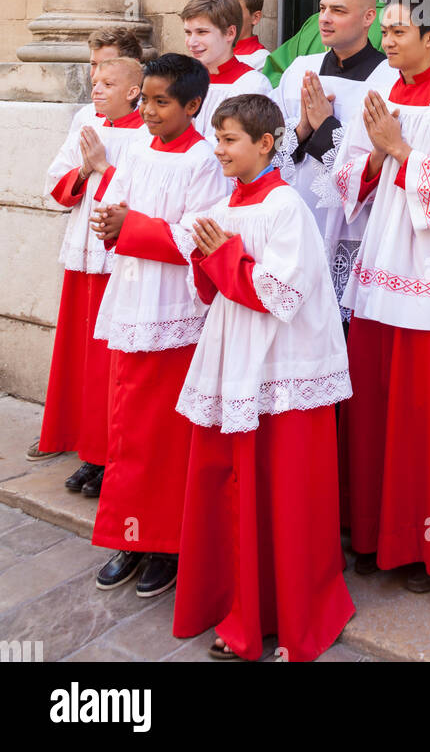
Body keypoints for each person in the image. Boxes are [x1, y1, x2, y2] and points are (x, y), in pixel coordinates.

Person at [171, 94, 354, 662]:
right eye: (217, 138)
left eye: (229, 140)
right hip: (234, 361)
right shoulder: (226, 207)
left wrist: (221, 257)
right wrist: (207, 262)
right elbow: (213, 292)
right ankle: (238, 604)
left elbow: (281, 293)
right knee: (233, 489)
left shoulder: (286, 207)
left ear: (265, 144)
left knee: (286, 495)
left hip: (283, 366)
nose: (218, 149)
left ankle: (295, 610)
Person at [333, 0, 430, 592]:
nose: (389, 40)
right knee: (375, 403)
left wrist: (399, 150)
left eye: (402, 31)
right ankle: (373, 533)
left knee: (427, 414)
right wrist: (373, 158)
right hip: (381, 269)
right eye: (386, 31)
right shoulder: (383, 95)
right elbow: (348, 176)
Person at [89, 54, 228, 598]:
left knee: (163, 433)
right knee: (125, 425)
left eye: (160, 101)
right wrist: (110, 224)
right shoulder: (138, 147)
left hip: (175, 313)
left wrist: (131, 225)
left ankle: (167, 541)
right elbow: (113, 207)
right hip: (131, 302)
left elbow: (198, 238)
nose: (147, 110)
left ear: (193, 106)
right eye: (144, 99)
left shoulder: (204, 161)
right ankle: (131, 533)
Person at [27, 26, 145, 464]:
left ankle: (105, 451)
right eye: (93, 70)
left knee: (108, 361)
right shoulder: (84, 119)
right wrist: (83, 170)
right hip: (83, 250)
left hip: (120, 257)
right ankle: (71, 434)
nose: (96, 80)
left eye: (107, 72)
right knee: (77, 355)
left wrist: (103, 166)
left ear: (133, 82)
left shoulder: (147, 130)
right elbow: (55, 182)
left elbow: (145, 196)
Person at [275, 0, 394, 321]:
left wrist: (326, 125)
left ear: (369, 17)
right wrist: (302, 128)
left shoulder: (387, 79)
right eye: (323, 9)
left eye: (338, 11)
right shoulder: (299, 69)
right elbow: (271, 147)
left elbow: (377, 159)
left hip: (352, 224)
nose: (324, 18)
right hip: (299, 212)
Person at [181, 0, 271, 145]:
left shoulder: (252, 85)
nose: (191, 42)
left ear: (230, 33)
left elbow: (244, 147)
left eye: (202, 32)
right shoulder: (182, 81)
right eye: (188, 33)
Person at [224, 0, 269, 71]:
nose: (226, 18)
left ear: (255, 17)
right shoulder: (212, 51)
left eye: (235, 12)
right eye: (224, 11)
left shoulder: (262, 60)